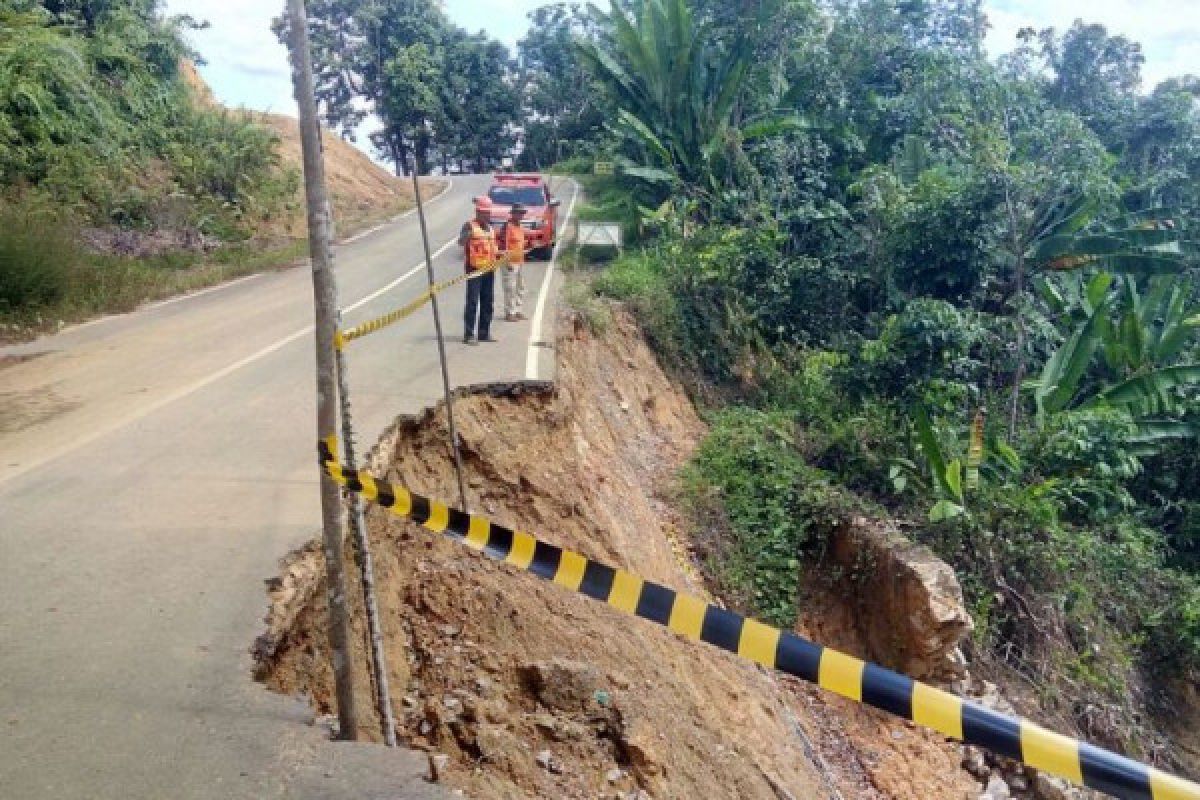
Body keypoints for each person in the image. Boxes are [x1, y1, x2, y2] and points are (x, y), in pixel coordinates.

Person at [459, 196, 499, 344]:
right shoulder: (469, 226)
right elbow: (461, 242)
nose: (487, 216)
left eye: (488, 213)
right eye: (484, 213)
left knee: (488, 301)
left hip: (489, 269)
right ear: (477, 212)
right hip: (474, 270)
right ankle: (469, 334)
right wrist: (467, 237)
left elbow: (493, 248)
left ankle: (484, 332)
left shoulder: (490, 228)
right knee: (472, 302)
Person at [500, 203, 529, 321]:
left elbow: (520, 243)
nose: (521, 215)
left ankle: (518, 310)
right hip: (510, 262)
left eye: (522, 213)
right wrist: (507, 262)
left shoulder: (520, 226)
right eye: (519, 213)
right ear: (513, 214)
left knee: (520, 287)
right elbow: (503, 245)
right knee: (510, 288)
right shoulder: (507, 227)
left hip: (520, 261)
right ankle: (509, 312)